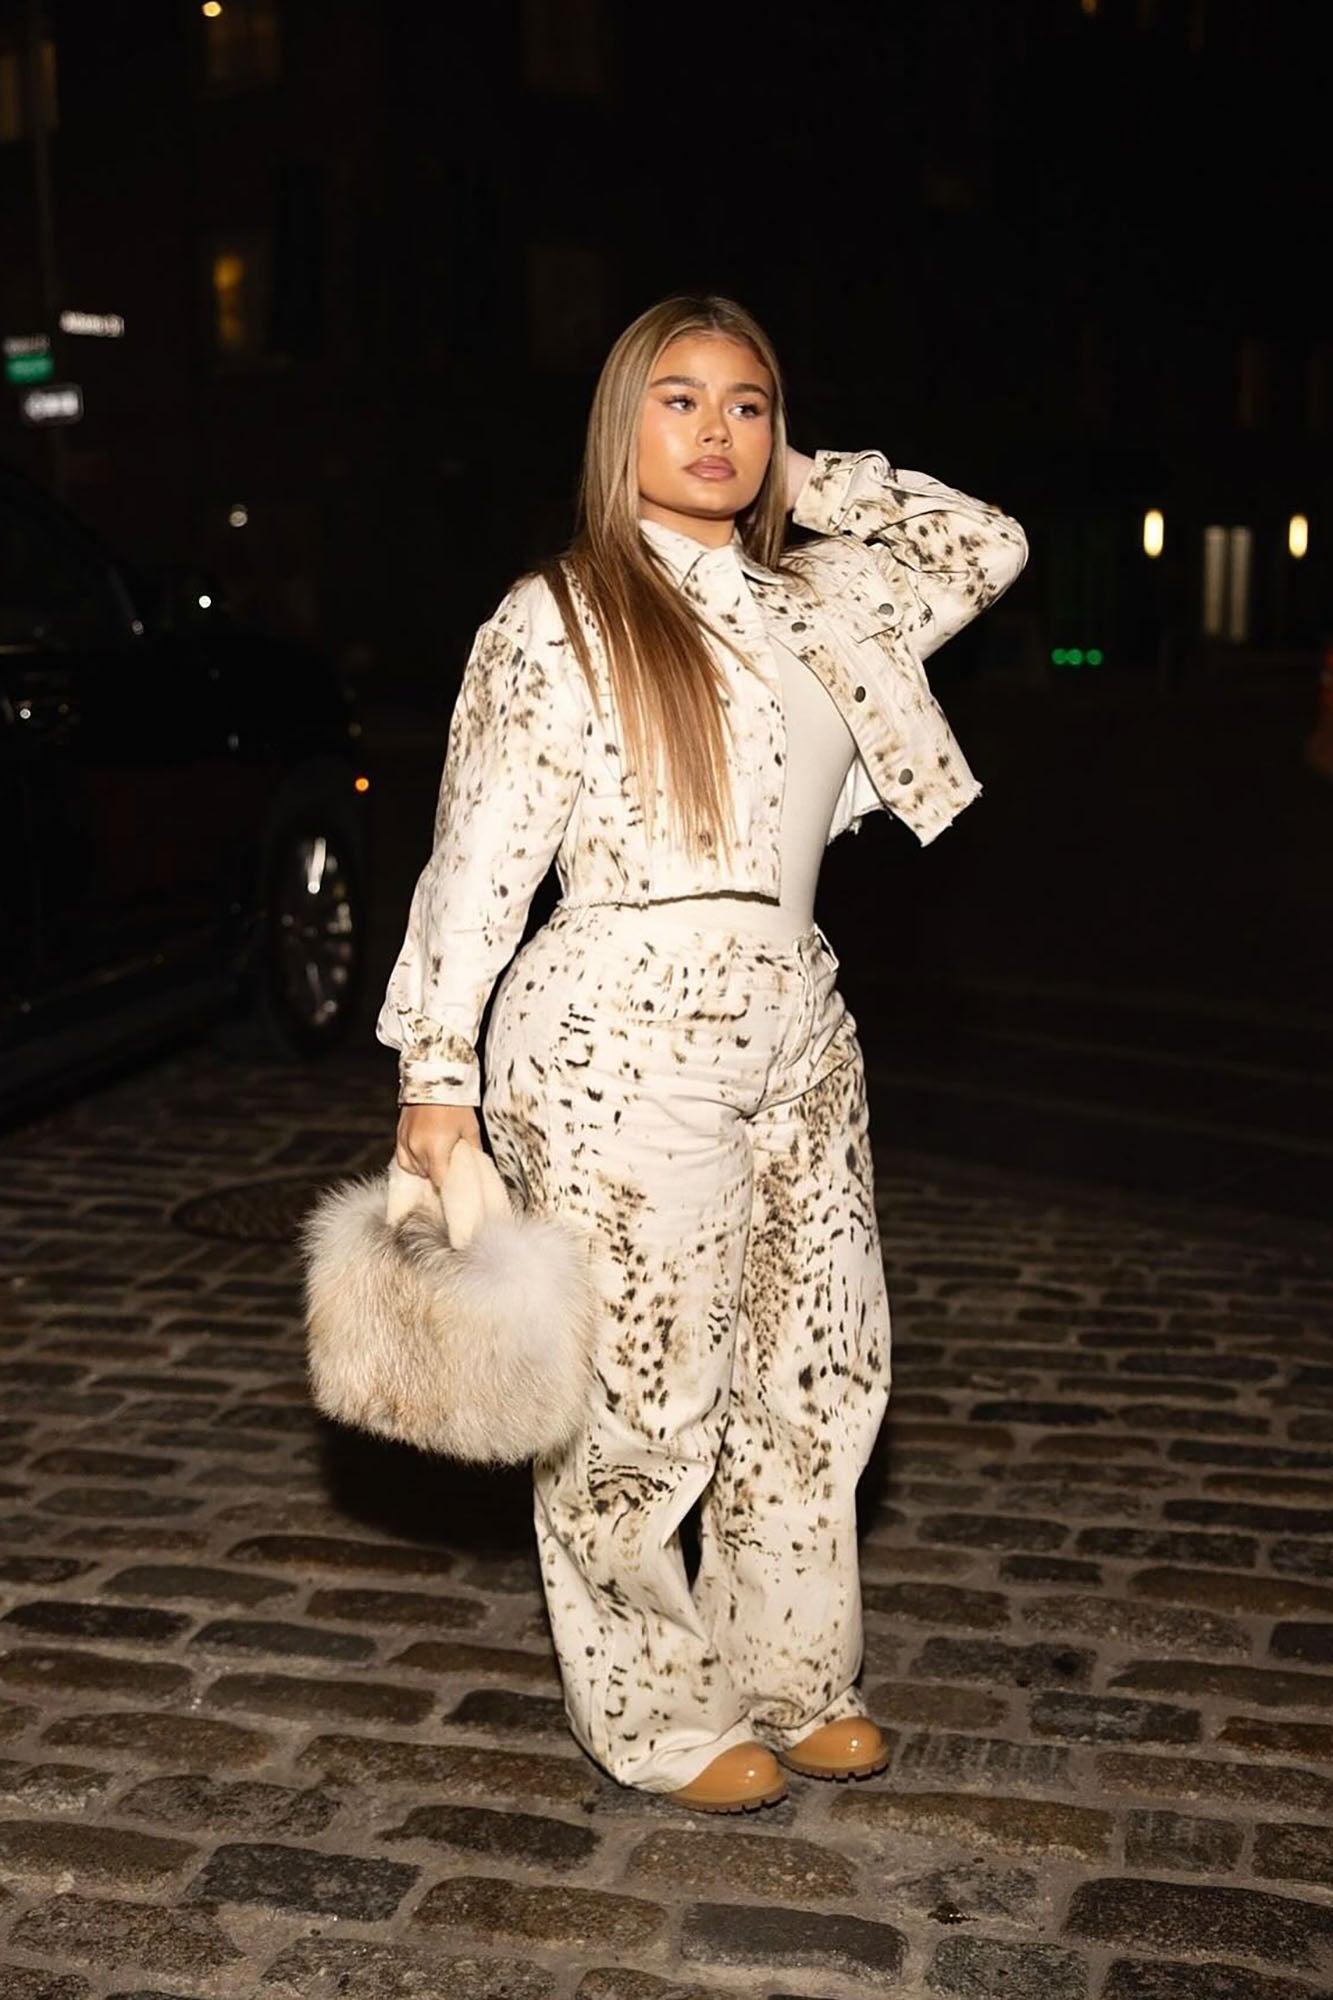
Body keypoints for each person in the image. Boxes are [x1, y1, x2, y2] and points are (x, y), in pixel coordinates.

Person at [377, 293, 1028, 1812]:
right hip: (615, 1025)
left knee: (821, 1370)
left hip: (798, 1013)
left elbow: (984, 547)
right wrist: (435, 1074)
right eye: (678, 400)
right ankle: (657, 1713)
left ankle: (794, 1680)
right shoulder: (558, 616)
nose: (717, 430)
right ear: (621, 425)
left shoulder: (822, 601)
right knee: (643, 1397)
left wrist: (803, 479)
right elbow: (477, 855)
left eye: (747, 403)